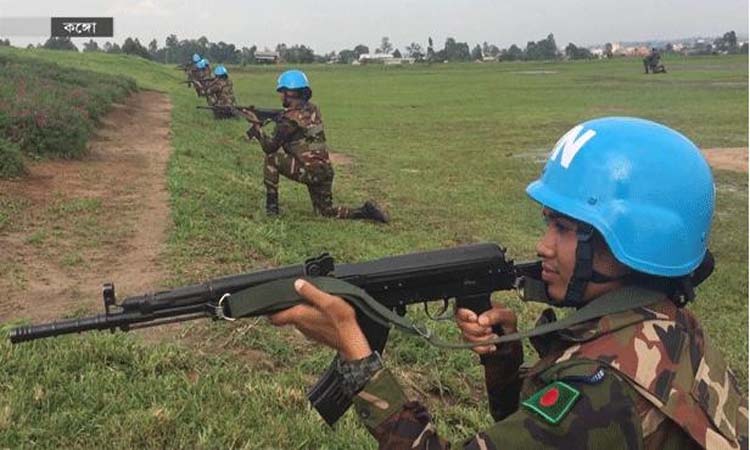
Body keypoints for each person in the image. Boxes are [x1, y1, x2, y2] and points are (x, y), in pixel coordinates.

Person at [268, 117, 747, 449]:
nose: (543, 246)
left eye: (563, 229)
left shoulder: (602, 387)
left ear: (628, 241)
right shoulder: (669, 323)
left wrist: (356, 356)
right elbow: (534, 431)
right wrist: (505, 361)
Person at [243, 69, 389, 222]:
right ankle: (365, 211)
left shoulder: (288, 120)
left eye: (282, 91)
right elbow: (294, 118)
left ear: (290, 93)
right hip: (324, 171)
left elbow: (270, 147)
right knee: (325, 212)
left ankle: (271, 209)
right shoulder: (312, 110)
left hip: (310, 171)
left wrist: (257, 127)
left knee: (272, 158)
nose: (280, 95)